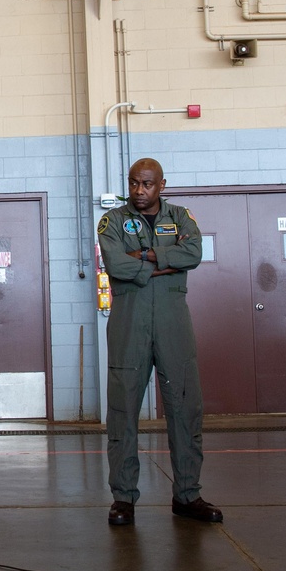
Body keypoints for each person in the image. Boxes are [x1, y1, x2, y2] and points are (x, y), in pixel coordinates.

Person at [97, 158, 222, 526]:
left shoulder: (182, 217)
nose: (139, 190)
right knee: (122, 413)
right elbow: (115, 265)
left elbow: (194, 254)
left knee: (186, 409)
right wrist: (169, 261)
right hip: (129, 323)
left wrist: (146, 255)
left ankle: (187, 495)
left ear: (162, 185)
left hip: (172, 323)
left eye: (148, 184)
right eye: (134, 183)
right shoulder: (113, 221)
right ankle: (123, 499)